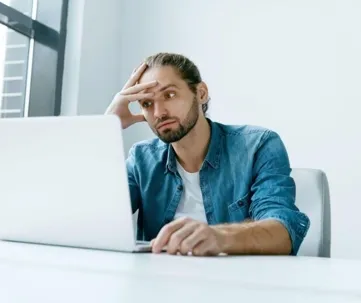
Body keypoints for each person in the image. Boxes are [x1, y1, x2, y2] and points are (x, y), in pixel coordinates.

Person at [105, 52, 310, 256]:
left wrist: (219, 236)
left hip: (238, 282)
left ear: (201, 93)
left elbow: (285, 231)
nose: (159, 113)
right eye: (147, 104)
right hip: (161, 281)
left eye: (169, 95)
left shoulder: (258, 145)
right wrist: (107, 127)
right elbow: (90, 218)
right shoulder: (142, 159)